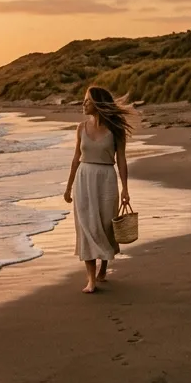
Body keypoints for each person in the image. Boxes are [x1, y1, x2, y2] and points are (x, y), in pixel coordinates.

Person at [64, 86, 138, 293]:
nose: (83, 104)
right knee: (86, 226)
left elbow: (121, 160)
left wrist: (125, 189)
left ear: (97, 103)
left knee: (105, 225)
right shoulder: (80, 127)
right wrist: (68, 187)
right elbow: (75, 159)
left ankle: (103, 268)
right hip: (84, 179)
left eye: (87, 101)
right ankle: (91, 279)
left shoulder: (116, 129)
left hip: (106, 178)